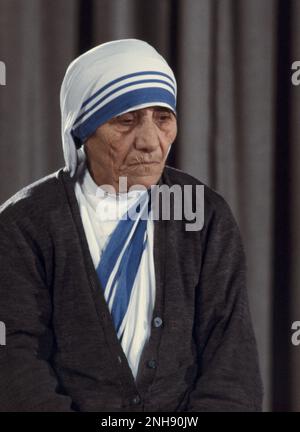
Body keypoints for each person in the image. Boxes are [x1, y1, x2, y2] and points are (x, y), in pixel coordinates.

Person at [0, 39, 263, 412]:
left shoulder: (204, 215)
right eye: (125, 120)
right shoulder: (24, 226)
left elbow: (231, 362)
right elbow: (15, 366)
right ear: (81, 131)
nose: (151, 143)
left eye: (163, 118)